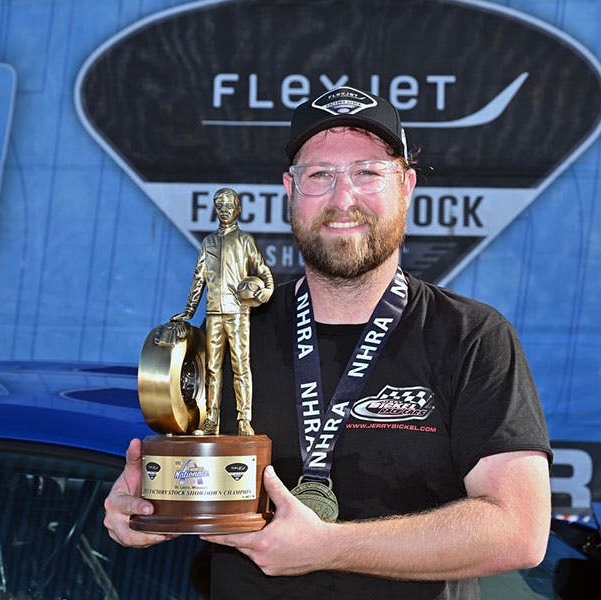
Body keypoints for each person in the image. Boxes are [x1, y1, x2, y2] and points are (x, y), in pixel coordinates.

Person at [104, 86, 552, 599]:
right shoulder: (236, 333)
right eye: (320, 175)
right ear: (289, 190)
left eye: (367, 173)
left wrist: (328, 547)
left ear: (406, 186)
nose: (343, 200)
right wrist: (140, 506)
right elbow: (185, 479)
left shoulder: (472, 337)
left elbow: (519, 530)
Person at [169, 187, 273, 436]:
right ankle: (211, 420)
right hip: (214, 313)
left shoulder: (245, 240)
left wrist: (266, 292)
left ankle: (244, 420)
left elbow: (263, 271)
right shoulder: (208, 242)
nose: (224, 210)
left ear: (238, 209)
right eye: (220, 206)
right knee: (212, 369)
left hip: (238, 313)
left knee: (241, 367)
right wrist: (189, 312)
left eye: (229, 206)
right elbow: (199, 279)